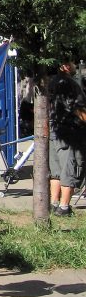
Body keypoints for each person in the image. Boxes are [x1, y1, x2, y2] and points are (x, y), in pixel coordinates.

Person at [48, 59, 86, 217]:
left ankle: (54, 203)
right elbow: (77, 108)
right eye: (71, 62)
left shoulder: (51, 82)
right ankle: (64, 207)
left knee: (56, 170)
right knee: (70, 168)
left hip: (54, 130)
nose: (74, 65)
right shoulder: (69, 83)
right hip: (70, 132)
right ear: (64, 65)